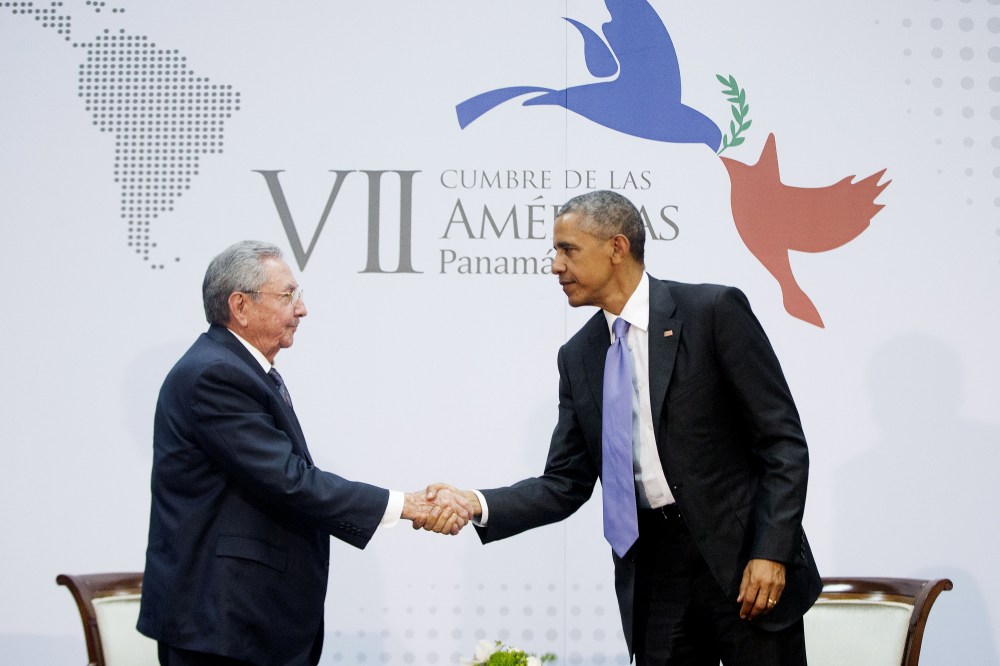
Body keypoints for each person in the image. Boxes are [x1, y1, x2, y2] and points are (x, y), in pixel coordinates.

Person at [432, 191, 822, 665]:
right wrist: (476, 502)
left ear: (617, 247)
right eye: (555, 251)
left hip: (742, 564)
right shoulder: (579, 356)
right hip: (655, 576)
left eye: (567, 249)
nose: (555, 266)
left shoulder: (712, 312)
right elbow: (564, 483)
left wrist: (772, 552)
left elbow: (782, 444)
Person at [137, 241, 470, 666]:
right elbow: (290, 480)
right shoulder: (214, 375)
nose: (302, 308)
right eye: (287, 295)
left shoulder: (236, 369)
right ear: (240, 305)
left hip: (244, 621)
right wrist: (407, 505)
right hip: (223, 625)